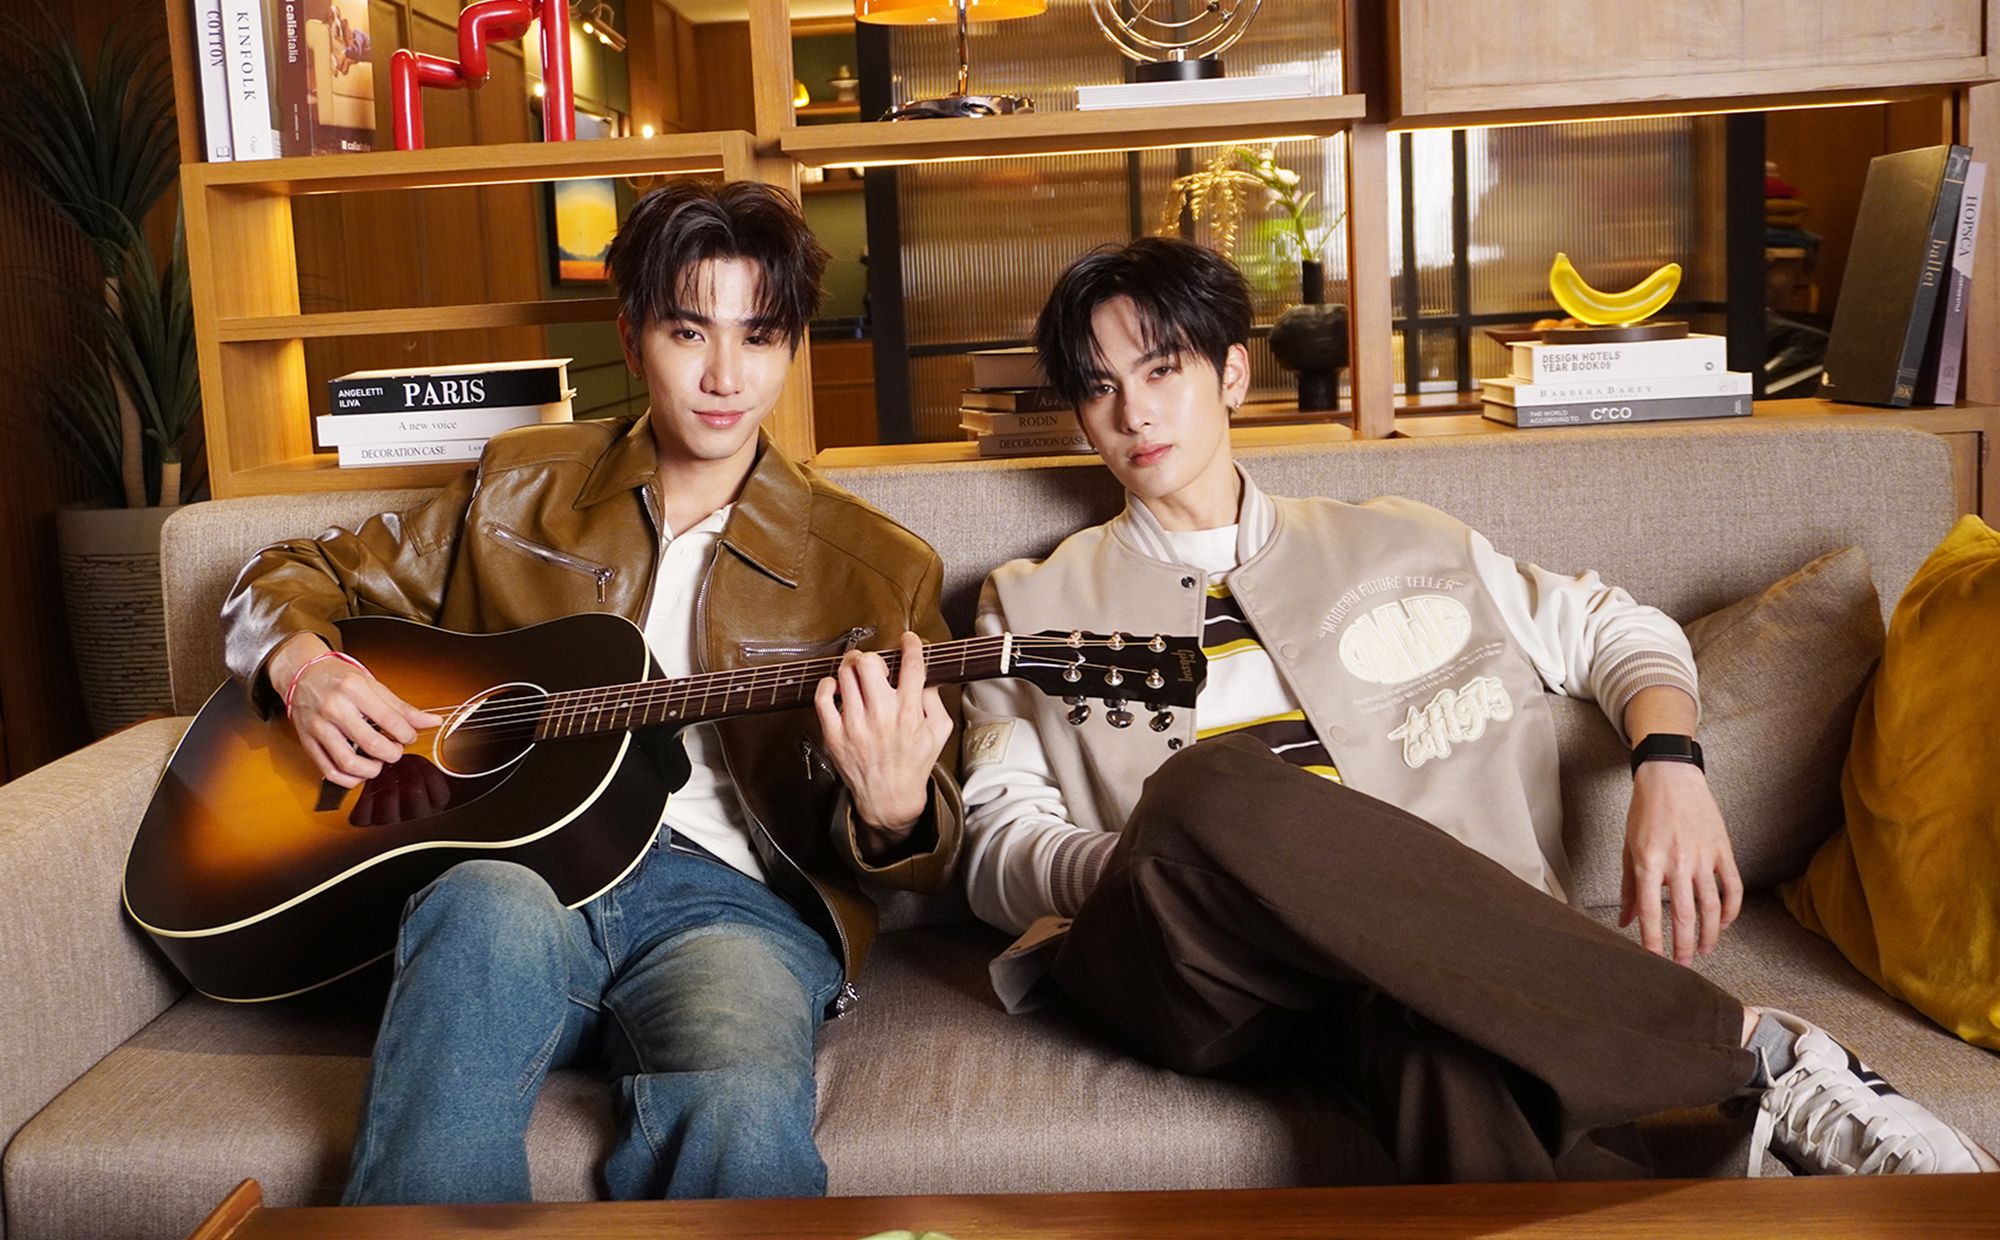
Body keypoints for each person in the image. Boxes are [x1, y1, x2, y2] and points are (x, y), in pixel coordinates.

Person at [958, 235, 1995, 1182]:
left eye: (1160, 370)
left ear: (1230, 372)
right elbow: (996, 845)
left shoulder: (1402, 540)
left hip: (1428, 975)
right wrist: (1171, 861)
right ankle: (1753, 1051)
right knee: (1210, 790)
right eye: (1098, 387)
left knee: (1441, 1058)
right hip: (1194, 973)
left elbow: (1613, 629)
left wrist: (1671, 765)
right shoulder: (1029, 601)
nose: (1133, 414)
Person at [221, 181, 960, 1204]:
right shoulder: (516, 485)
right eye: (687, 331)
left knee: (741, 1102)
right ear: (630, 335)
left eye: (758, 337)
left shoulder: (878, 567)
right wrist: (300, 667)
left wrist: (894, 811)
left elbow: (931, 843)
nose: (723, 375)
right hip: (515, 876)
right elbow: (289, 573)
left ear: (792, 346)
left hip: (731, 912)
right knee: (475, 914)